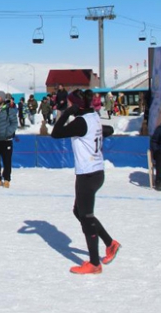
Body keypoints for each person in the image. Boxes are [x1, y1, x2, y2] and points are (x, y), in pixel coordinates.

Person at [51, 90, 119, 275]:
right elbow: (107, 130)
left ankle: (95, 263)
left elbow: (55, 133)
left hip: (87, 174)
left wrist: (65, 113)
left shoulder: (80, 122)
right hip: (95, 172)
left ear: (75, 106)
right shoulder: (93, 116)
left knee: (87, 217)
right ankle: (110, 243)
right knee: (79, 211)